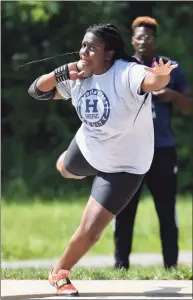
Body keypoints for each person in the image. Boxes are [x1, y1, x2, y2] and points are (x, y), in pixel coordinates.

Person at [28, 23, 178, 295]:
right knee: (64, 167)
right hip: (87, 149)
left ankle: (59, 273)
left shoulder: (127, 73)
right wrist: (61, 72)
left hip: (124, 166)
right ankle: (68, 165)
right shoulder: (79, 75)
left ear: (108, 54)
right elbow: (36, 91)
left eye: (91, 48)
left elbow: (153, 82)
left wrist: (161, 76)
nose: (84, 51)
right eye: (83, 45)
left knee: (91, 230)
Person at [114, 16, 193, 271]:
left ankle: (171, 267)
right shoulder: (122, 67)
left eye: (148, 36)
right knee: (124, 211)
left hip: (162, 150)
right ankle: (120, 267)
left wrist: (171, 95)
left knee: (167, 212)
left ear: (155, 40)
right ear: (132, 40)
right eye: (138, 36)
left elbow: (189, 107)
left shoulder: (169, 68)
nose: (143, 40)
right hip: (129, 152)